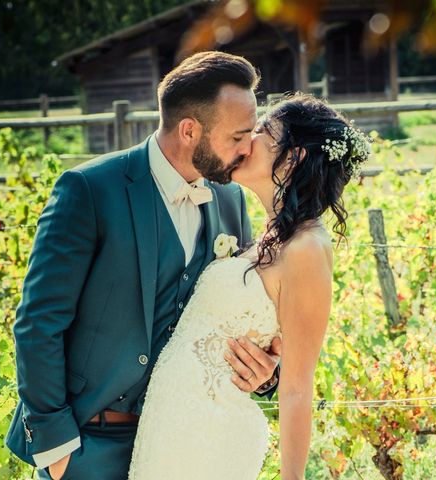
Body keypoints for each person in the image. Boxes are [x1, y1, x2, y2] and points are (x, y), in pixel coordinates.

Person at [5, 51, 282, 480]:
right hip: (91, 444)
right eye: (238, 137)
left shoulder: (229, 199)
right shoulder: (90, 190)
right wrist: (55, 446)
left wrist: (263, 371)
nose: (248, 150)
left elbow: (234, 313)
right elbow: (39, 321)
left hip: (188, 444)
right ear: (190, 130)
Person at [128, 93, 370, 479]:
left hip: (211, 436)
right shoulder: (272, 235)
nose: (246, 140)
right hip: (173, 430)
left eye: (261, 131)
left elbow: (296, 387)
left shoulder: (306, 248)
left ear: (295, 157)